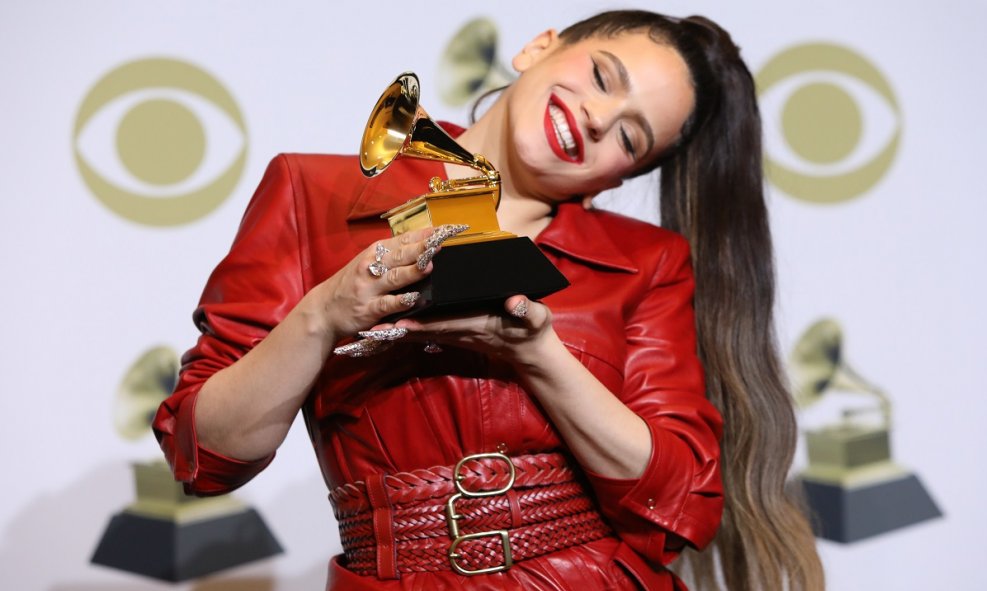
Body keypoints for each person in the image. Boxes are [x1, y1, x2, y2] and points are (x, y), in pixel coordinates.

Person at [153, 9, 824, 591]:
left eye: (630, 136)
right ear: (539, 47)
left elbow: (681, 502)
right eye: (602, 76)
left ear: (624, 173)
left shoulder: (648, 263)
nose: (596, 117)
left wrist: (539, 356)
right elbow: (204, 454)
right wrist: (324, 312)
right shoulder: (311, 193)